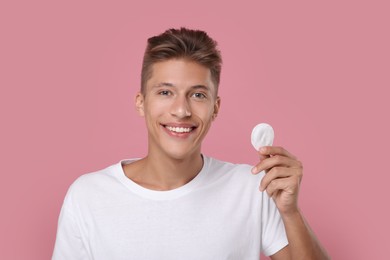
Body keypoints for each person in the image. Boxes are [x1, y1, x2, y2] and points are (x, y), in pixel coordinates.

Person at [53, 28, 329, 259]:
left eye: (197, 95)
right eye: (165, 92)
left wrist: (291, 213)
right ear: (141, 102)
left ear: (215, 107)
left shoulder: (253, 186)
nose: (181, 110)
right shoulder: (88, 196)